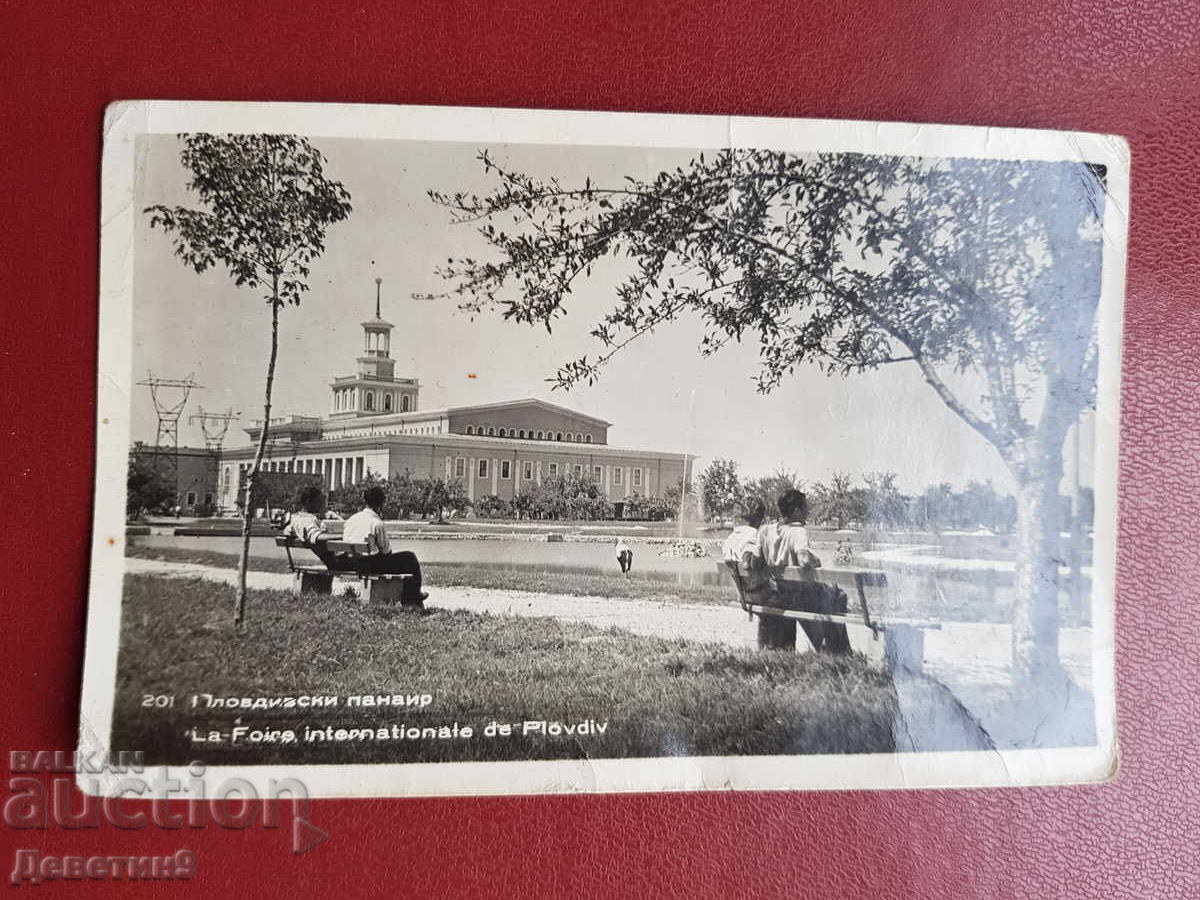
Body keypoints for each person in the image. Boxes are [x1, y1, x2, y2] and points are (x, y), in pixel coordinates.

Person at [758, 489, 851, 654]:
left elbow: (758, 560)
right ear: (796, 510)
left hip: (778, 593)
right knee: (839, 595)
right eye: (805, 508)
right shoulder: (797, 531)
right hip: (797, 595)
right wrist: (816, 560)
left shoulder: (766, 530)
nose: (807, 512)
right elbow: (804, 560)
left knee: (827, 594)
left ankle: (827, 645)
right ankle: (837, 650)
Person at [339, 486, 428, 606]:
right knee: (409, 558)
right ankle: (413, 596)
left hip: (353, 563)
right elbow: (386, 552)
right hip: (372, 566)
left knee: (400, 559)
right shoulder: (377, 523)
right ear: (381, 504)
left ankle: (411, 596)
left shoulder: (351, 520)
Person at [721, 496, 773, 610]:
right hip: (759, 595)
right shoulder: (754, 535)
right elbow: (746, 563)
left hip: (743, 595)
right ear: (760, 518)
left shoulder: (731, 538)